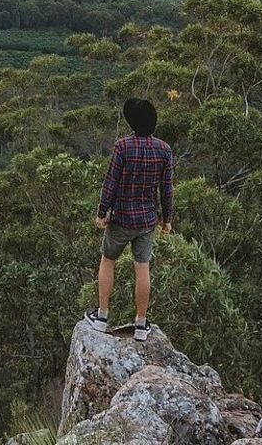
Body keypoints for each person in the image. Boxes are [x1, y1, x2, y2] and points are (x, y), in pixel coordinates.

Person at [86, 97, 174, 341]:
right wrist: (167, 219)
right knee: (142, 267)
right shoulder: (164, 149)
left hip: (122, 219)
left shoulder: (122, 147)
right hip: (146, 221)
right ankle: (141, 324)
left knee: (108, 260)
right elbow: (166, 189)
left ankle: (102, 317)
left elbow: (110, 183)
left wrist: (102, 212)